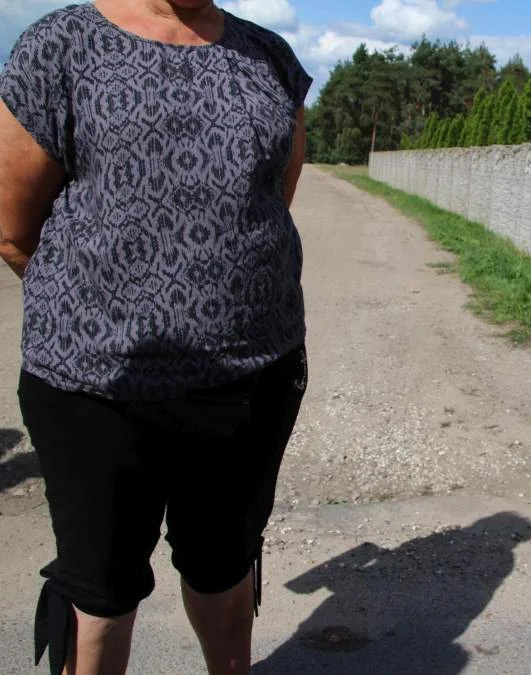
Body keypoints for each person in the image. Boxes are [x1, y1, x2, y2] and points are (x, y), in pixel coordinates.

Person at [0, 1, 311, 673]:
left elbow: (267, 197)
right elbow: (14, 228)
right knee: (102, 590)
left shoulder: (270, 58)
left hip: (251, 375)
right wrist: (106, 304)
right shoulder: (61, 45)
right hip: (94, 387)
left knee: (222, 562)